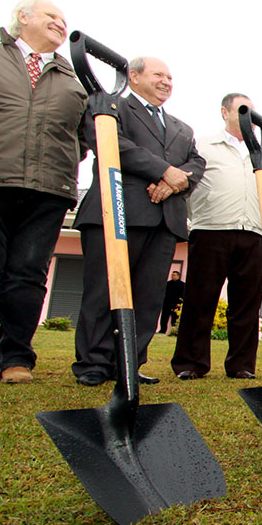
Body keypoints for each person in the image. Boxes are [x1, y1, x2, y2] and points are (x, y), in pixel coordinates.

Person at [0, 0, 86, 384]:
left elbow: (82, 137)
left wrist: (62, 163)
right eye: (52, 16)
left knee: (28, 276)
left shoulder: (73, 78)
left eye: (64, 21)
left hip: (48, 190)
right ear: (23, 17)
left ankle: (15, 358)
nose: (60, 24)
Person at [72, 56, 205, 386]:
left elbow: (196, 163)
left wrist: (174, 180)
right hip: (118, 211)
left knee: (147, 298)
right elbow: (112, 145)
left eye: (171, 77)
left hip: (164, 219)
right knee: (104, 290)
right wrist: (164, 170)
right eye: (158, 74)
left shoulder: (181, 128)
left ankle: (129, 363)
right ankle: (94, 363)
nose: (166, 81)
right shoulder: (110, 106)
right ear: (133, 75)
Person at [170, 93, 262, 380]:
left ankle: (241, 364)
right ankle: (191, 363)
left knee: (247, 304)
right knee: (200, 300)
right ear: (224, 112)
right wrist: (202, 215)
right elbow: (187, 187)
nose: (248, 119)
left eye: (253, 113)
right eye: (242, 111)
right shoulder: (203, 146)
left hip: (253, 234)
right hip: (211, 231)